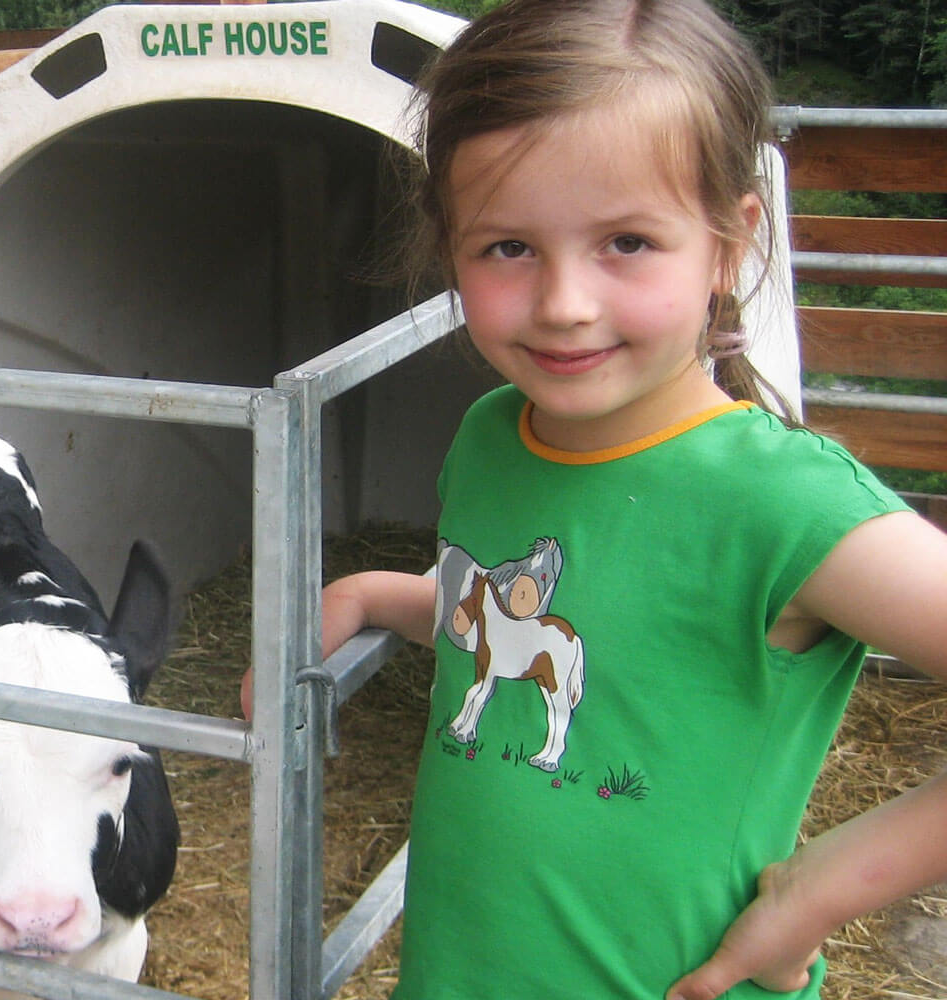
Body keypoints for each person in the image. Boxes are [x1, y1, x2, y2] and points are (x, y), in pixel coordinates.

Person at [238, 0, 947, 996]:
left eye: (626, 241)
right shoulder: (495, 433)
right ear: (452, 247)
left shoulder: (782, 502)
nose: (565, 301)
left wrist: (815, 892)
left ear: (731, 238)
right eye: (509, 249)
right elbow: (559, 621)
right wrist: (374, 593)